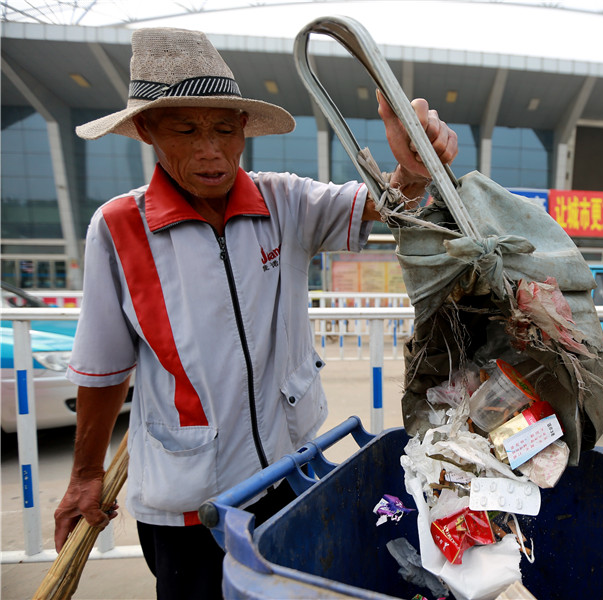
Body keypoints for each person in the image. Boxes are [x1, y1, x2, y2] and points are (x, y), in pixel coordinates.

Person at [53, 27, 457, 599]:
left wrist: (413, 171)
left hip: (290, 481)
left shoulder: (283, 201)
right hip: (190, 504)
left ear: (244, 128)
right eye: (186, 130)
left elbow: (388, 208)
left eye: (224, 128)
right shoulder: (119, 228)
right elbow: (103, 370)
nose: (210, 151)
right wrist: (87, 476)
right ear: (146, 130)